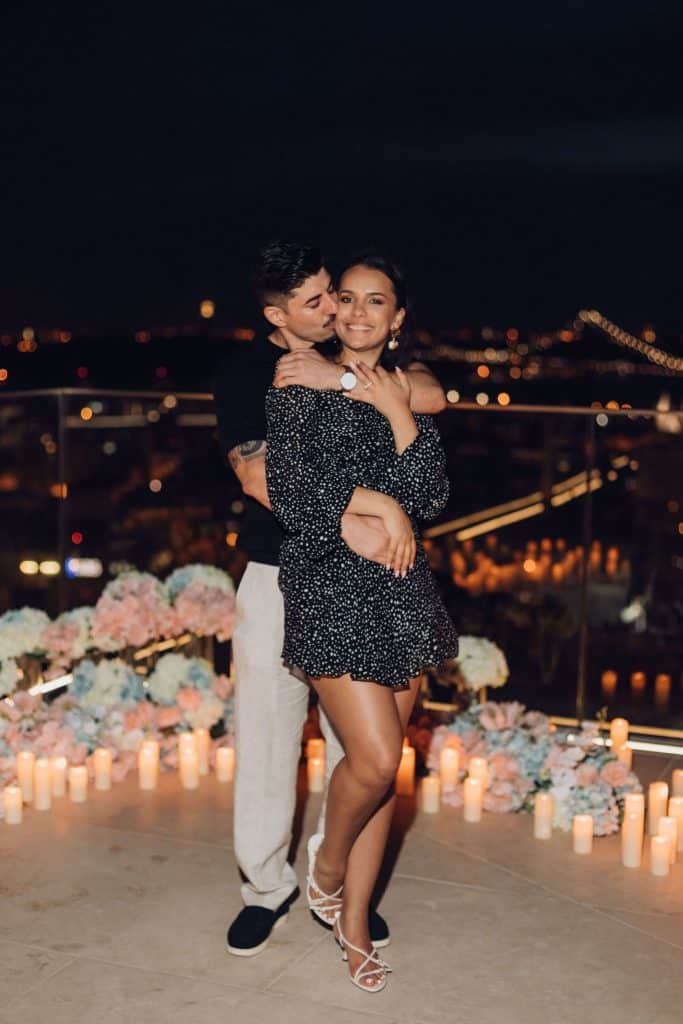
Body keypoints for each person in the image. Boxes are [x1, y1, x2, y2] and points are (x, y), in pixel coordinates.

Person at [213, 241, 446, 958]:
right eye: (318, 301)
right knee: (267, 736)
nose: (333, 309)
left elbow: (431, 393)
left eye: (335, 295)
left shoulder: (347, 361)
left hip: (366, 588)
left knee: (359, 745)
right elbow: (260, 478)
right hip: (276, 572)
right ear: (275, 314)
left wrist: (344, 376)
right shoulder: (250, 372)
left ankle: (334, 882)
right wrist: (365, 521)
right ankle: (265, 887)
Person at [265, 253, 458, 992]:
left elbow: (430, 493)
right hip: (328, 589)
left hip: (401, 591)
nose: (356, 312)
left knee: (386, 774)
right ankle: (327, 865)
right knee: (374, 759)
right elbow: (291, 491)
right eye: (345, 298)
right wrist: (377, 505)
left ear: (396, 318)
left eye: (374, 301)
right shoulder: (296, 380)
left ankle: (351, 925)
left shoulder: (402, 390)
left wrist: (398, 413)